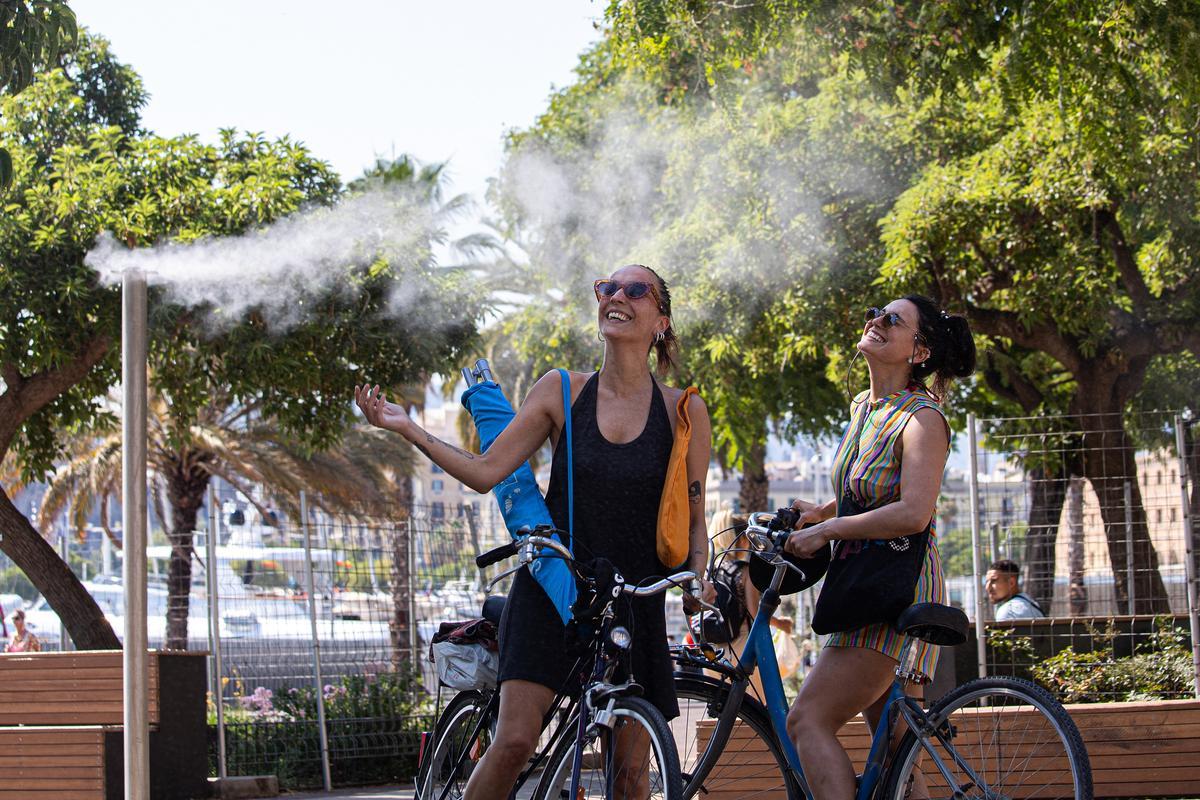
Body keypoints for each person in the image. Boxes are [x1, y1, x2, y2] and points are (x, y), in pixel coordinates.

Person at [356, 264, 713, 800]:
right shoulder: (561, 391)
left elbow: (696, 518)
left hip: (633, 599)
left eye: (635, 290)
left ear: (660, 320)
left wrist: (696, 583)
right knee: (516, 742)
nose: (616, 296)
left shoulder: (683, 411)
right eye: (606, 288)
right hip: (553, 586)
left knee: (631, 775)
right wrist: (406, 426)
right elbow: (484, 473)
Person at [781, 295, 975, 800]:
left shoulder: (923, 419)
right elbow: (867, 490)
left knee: (807, 720)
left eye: (892, 320)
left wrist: (828, 532)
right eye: (874, 312)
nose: (876, 322)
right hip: (865, 583)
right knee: (896, 751)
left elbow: (913, 510)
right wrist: (823, 512)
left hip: (896, 589)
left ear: (919, 349)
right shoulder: (865, 408)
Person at [706, 508, 794, 699]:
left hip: (714, 650)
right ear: (743, 539)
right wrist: (781, 624)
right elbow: (756, 614)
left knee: (726, 710)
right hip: (743, 646)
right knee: (761, 707)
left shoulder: (713, 569)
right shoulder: (745, 571)